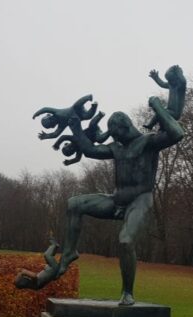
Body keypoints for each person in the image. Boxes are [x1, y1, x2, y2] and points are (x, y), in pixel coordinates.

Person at [54, 96, 185, 305]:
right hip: (116, 200)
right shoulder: (117, 148)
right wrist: (76, 128)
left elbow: (177, 133)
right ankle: (70, 253)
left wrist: (158, 106)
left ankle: (127, 292)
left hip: (140, 201)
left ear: (125, 128)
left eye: (117, 135)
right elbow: (91, 150)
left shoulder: (148, 142)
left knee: (125, 241)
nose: (115, 139)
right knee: (74, 204)